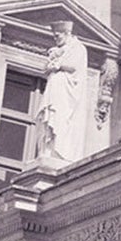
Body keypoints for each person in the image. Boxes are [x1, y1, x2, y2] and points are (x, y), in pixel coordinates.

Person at [35, 20, 90, 161]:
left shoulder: (78, 48)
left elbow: (74, 66)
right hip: (54, 88)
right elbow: (46, 68)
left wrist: (58, 64)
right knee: (48, 117)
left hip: (66, 92)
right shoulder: (57, 50)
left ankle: (59, 150)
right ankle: (47, 149)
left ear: (67, 33)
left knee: (60, 117)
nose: (55, 39)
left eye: (57, 36)